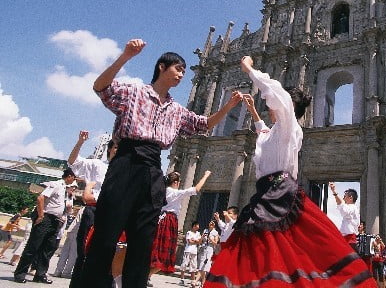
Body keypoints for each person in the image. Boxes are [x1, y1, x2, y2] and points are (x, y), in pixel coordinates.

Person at [81, 39, 242, 288]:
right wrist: (125, 56)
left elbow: (203, 124)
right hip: (126, 161)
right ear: (161, 68)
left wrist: (228, 107)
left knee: (143, 239)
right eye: (177, 69)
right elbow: (101, 87)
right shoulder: (133, 92)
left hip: (153, 168)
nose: (181, 75)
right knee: (107, 234)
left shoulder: (176, 110)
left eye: (183, 72)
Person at [205, 56, 376, 287]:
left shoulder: (289, 126)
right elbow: (262, 132)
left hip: (280, 193)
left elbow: (278, 93)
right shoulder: (276, 132)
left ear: (287, 106)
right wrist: (253, 111)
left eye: (271, 103)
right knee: (268, 249)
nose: (269, 104)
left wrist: (249, 69)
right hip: (266, 194)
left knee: (273, 248)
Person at [69, 134, 118, 288]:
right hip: (94, 212)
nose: (119, 151)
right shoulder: (98, 165)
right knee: (84, 253)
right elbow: (73, 162)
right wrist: (80, 142)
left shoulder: (126, 173)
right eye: (116, 147)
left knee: (109, 256)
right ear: (109, 149)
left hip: (113, 216)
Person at [14, 168, 78, 283]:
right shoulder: (56, 185)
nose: (74, 181)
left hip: (56, 221)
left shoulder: (64, 189)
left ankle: (40, 274)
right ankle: (20, 273)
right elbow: (41, 198)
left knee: (48, 248)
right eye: (74, 177)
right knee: (33, 246)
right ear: (69, 176)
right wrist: (41, 215)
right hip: (47, 218)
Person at [148, 170, 212, 284]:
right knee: (164, 256)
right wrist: (205, 176)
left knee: (155, 251)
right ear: (176, 182)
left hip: (160, 220)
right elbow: (196, 189)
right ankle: (146, 275)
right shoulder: (174, 193)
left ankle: (146, 275)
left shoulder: (163, 191)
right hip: (169, 222)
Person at [329, 182, 360, 249]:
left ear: (350, 197)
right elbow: (341, 205)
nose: (343, 198)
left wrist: (334, 192)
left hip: (350, 240)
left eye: (344, 196)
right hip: (346, 239)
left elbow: (343, 208)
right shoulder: (351, 208)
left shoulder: (353, 207)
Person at [195, 221, 219, 287]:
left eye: (212, 224)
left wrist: (211, 239)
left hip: (210, 249)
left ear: (214, 225)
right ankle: (201, 282)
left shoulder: (215, 232)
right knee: (202, 265)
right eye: (210, 223)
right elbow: (200, 241)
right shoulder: (205, 230)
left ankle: (199, 281)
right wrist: (202, 237)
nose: (211, 224)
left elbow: (215, 243)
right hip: (204, 248)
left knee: (206, 266)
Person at [179, 221, 201, 287]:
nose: (198, 227)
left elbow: (199, 241)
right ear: (194, 226)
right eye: (197, 225)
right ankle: (182, 279)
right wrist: (195, 241)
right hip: (188, 250)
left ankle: (192, 280)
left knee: (193, 266)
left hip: (194, 251)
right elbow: (189, 242)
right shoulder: (189, 233)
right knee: (185, 264)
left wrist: (195, 241)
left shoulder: (198, 233)